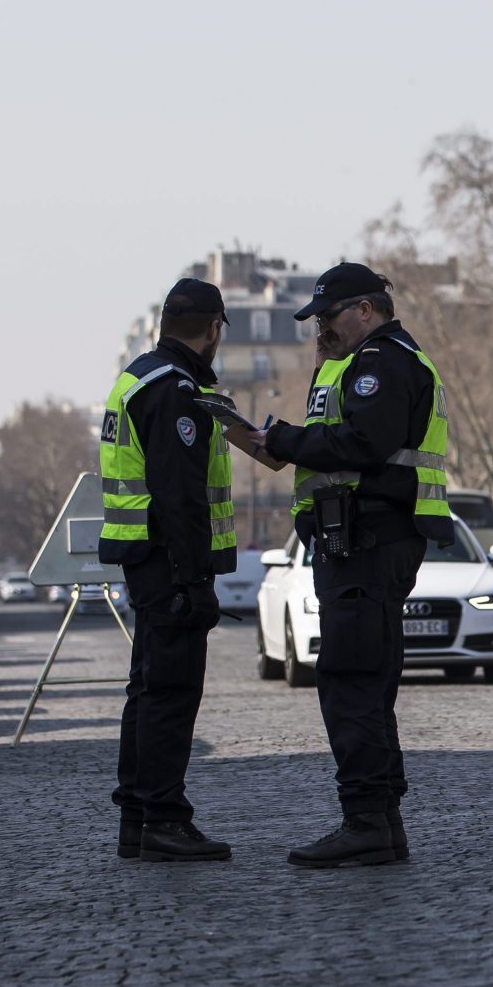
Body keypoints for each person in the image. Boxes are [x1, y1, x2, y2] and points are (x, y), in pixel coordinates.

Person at [225, 262, 453, 868]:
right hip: (355, 540)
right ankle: (381, 817)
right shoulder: (358, 363)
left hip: (368, 540)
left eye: (327, 317)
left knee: (351, 681)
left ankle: (367, 821)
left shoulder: (384, 364)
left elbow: (361, 445)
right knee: (367, 682)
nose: (319, 330)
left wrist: (284, 439)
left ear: (366, 311)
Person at [99, 278, 239, 862]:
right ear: (213, 330)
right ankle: (163, 818)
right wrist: (193, 580)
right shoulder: (176, 391)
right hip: (168, 562)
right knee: (172, 692)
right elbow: (180, 496)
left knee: (148, 688)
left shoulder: (138, 378)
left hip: (144, 557)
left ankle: (138, 814)